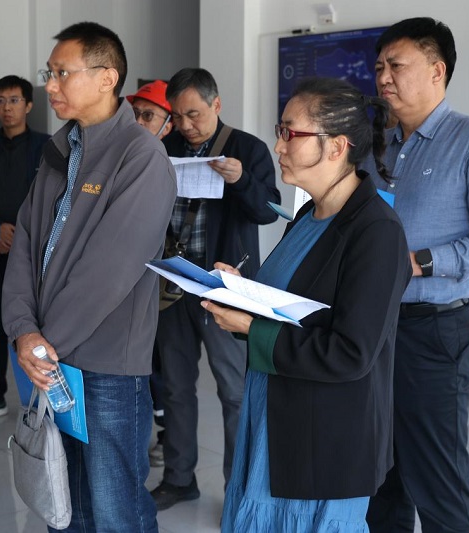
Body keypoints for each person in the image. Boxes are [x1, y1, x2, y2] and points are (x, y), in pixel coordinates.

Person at [202, 76, 412, 532]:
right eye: (280, 131)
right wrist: (241, 291)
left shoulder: (376, 231)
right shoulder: (307, 215)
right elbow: (295, 306)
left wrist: (250, 328)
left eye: (290, 133)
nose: (278, 146)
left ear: (336, 146)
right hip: (276, 416)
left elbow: (350, 353)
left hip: (322, 444)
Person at [2, 22, 177, 532]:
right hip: (50, 359)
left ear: (107, 78)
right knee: (65, 507)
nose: (50, 85)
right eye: (49, 73)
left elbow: (109, 273)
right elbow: (25, 247)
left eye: (63, 73)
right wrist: (23, 330)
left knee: (116, 511)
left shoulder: (140, 157)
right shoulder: (59, 152)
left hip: (105, 370)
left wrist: (41, 345)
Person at [365, 18, 469, 533]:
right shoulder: (378, 146)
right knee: (381, 473)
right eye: (379, 67)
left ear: (437, 71)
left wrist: (421, 261)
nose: (383, 77)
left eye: (396, 65)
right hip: (374, 326)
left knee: (436, 477)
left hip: (433, 329)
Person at [150, 67, 281, 510]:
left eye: (194, 115)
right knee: (175, 387)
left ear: (216, 104)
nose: (185, 125)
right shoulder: (164, 148)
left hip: (226, 289)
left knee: (235, 392)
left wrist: (241, 180)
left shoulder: (247, 149)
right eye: (177, 116)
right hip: (173, 284)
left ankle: (237, 491)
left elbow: (269, 211)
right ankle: (178, 478)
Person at [0, 75, 50, 424]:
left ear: (28, 105)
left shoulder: (47, 146)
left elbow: (53, 198)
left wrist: (26, 235)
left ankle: (45, 397)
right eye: (0, 101)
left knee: (40, 329)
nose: (6, 107)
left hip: (34, 255)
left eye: (14, 100)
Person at [126, 79, 173, 467]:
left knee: (165, 369)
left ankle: (166, 439)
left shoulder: (163, 164)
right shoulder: (122, 157)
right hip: (130, 285)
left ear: (167, 125)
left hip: (168, 285)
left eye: (148, 115)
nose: (139, 122)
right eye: (134, 113)